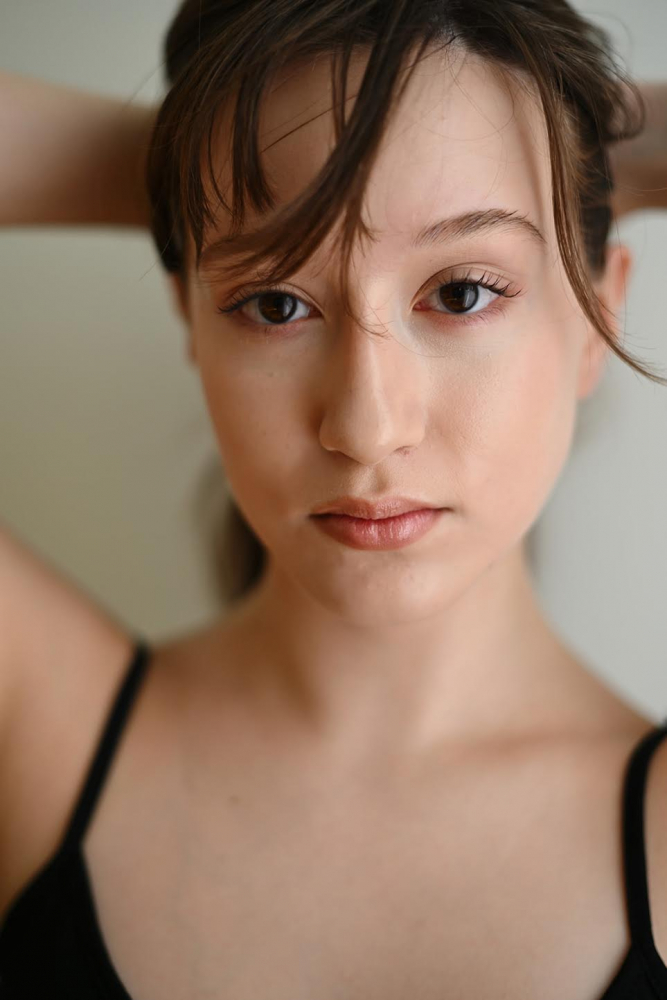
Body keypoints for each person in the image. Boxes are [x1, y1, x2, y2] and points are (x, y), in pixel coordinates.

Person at [1, 2, 667, 998]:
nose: (364, 424)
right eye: (275, 302)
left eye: (460, 291)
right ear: (187, 312)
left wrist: (601, 141)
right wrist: (196, 160)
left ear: (596, 312)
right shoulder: (34, 735)